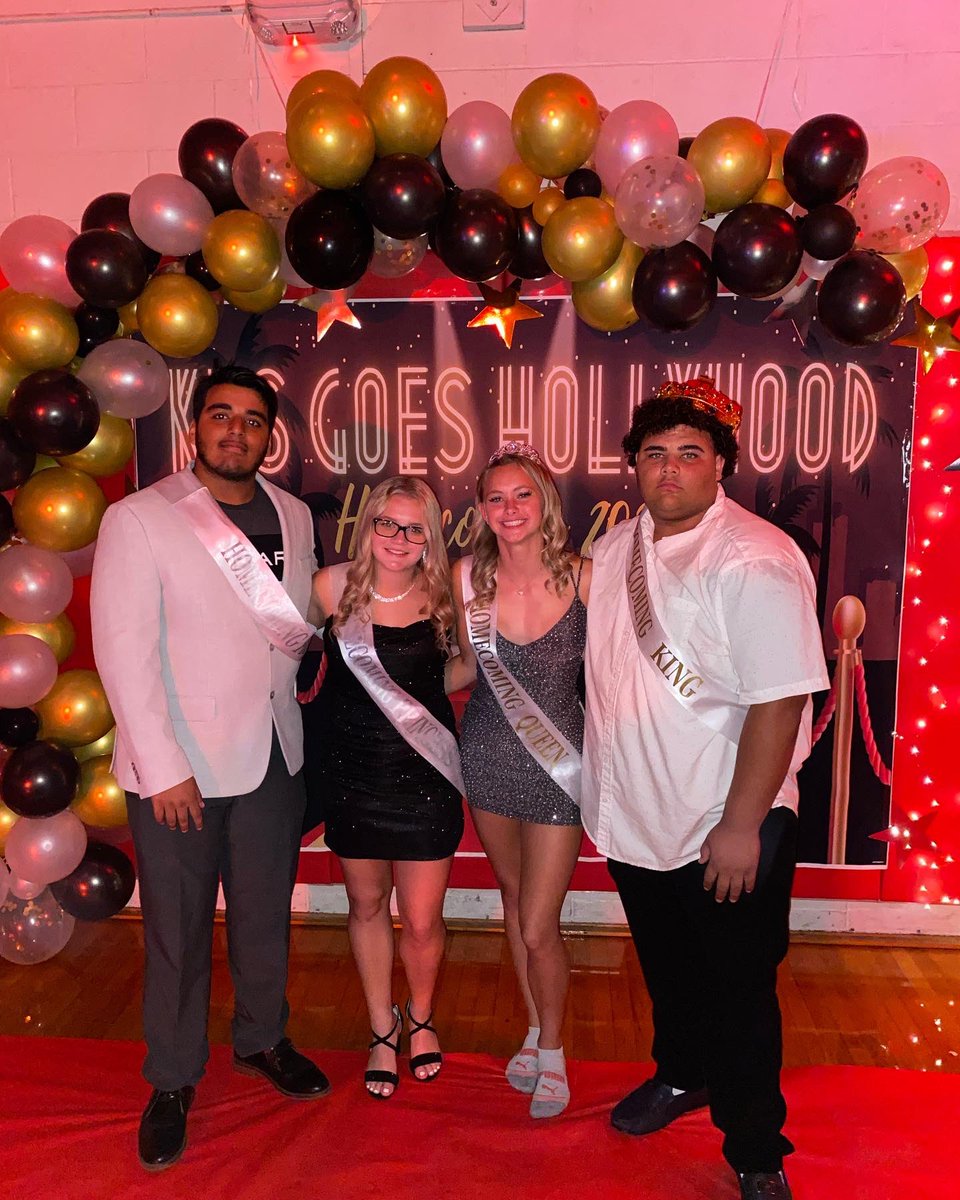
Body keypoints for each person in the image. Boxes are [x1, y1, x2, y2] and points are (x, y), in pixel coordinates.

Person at [580, 378, 829, 1200]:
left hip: (725, 819)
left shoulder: (753, 556)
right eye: (654, 454)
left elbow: (781, 696)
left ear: (721, 464)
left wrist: (741, 825)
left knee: (739, 989)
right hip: (640, 813)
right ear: (635, 469)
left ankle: (757, 1147)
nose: (670, 469)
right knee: (669, 970)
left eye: (690, 453)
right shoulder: (619, 549)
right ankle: (682, 1074)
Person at [91, 364, 329, 1172]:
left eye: (253, 419)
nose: (238, 430)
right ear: (196, 429)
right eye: (221, 415)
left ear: (270, 434)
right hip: (178, 769)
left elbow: (291, 633)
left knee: (265, 915)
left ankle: (263, 1038)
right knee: (179, 931)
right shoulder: (140, 518)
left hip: (272, 753)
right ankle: (172, 1078)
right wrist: (162, 768)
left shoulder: (296, 515)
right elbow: (123, 652)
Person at [308, 477, 464, 1099]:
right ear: (368, 525)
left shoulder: (446, 593)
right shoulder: (328, 588)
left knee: (422, 921)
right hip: (352, 773)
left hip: (424, 774)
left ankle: (420, 1017)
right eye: (387, 524)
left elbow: (461, 671)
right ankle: (382, 1028)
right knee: (366, 906)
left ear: (430, 536)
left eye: (415, 528)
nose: (399, 539)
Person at [452, 443, 591, 1119]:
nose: (510, 509)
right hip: (487, 756)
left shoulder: (585, 577)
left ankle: (557, 1051)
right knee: (512, 901)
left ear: (545, 503)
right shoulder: (466, 580)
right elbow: (460, 671)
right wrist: (386, 679)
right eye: (497, 497)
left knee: (539, 923)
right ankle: (536, 1028)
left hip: (560, 763)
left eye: (523, 495)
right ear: (481, 509)